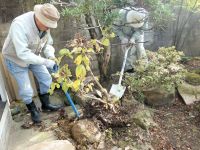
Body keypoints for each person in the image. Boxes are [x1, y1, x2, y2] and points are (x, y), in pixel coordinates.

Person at [2, 3, 61, 123]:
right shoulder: (19, 25)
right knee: (26, 90)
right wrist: (46, 62)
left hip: (34, 56)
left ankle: (45, 104)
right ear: (39, 18)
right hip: (15, 59)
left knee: (46, 79)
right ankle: (33, 110)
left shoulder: (45, 26)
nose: (49, 28)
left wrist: (51, 57)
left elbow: (47, 43)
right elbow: (23, 54)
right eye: (47, 25)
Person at [113, 7, 149, 73]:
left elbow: (142, 29)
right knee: (126, 52)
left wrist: (133, 38)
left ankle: (144, 68)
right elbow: (115, 28)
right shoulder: (121, 14)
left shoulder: (145, 15)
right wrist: (123, 38)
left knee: (140, 49)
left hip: (138, 33)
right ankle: (129, 71)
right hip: (124, 34)